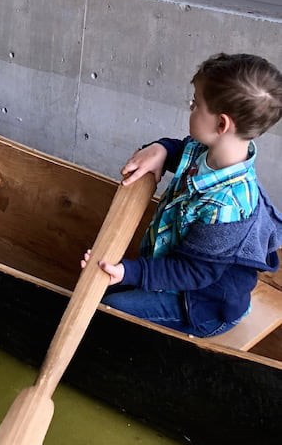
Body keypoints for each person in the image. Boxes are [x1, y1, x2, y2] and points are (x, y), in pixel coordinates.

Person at [82, 53, 282, 337]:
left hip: (202, 304)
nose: (190, 108)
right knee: (101, 280)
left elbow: (193, 272)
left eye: (195, 104)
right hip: (179, 273)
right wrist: (163, 149)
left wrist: (129, 273)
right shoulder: (207, 152)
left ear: (221, 125)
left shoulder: (227, 206)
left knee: (109, 307)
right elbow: (182, 151)